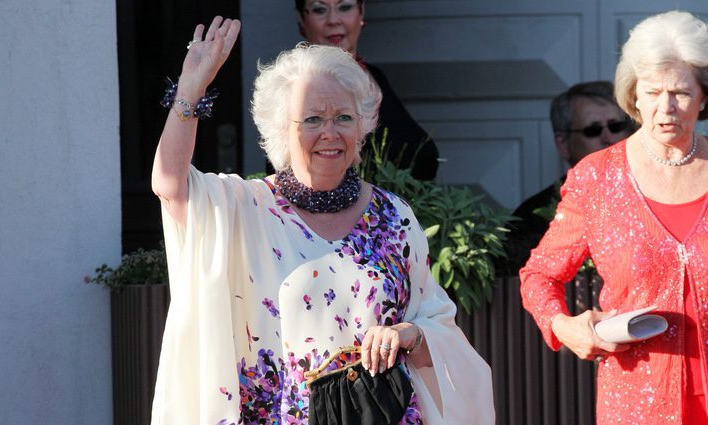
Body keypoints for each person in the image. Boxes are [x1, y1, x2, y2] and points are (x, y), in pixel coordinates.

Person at [150, 16, 494, 424]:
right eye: (312, 119)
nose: (330, 133)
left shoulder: (394, 216)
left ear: (362, 125)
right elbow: (171, 185)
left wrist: (409, 335)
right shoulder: (247, 207)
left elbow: (436, 324)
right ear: (282, 129)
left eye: (343, 118)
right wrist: (192, 90)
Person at [520, 10, 708, 424]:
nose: (666, 107)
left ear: (703, 97)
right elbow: (538, 275)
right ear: (634, 96)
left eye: (680, 92)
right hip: (638, 404)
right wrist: (564, 326)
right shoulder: (598, 178)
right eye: (653, 92)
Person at [295, 0, 440, 181]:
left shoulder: (374, 75)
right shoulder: (295, 85)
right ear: (301, 19)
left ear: (361, 12)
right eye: (319, 9)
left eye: (345, 7)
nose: (333, 20)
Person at [503, 81, 634, 273]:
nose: (609, 139)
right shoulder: (531, 217)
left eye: (616, 126)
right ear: (563, 143)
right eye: (593, 130)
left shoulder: (659, 194)